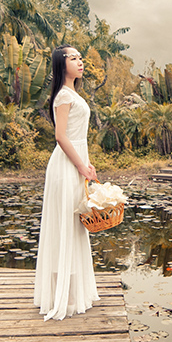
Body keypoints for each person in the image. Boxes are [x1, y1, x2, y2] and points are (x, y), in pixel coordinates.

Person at [33, 45, 100, 320]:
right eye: (74, 58)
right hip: (65, 165)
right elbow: (61, 136)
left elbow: (77, 135)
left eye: (80, 58)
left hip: (76, 161)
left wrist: (86, 163)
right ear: (62, 64)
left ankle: (74, 292)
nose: (80, 62)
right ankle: (63, 296)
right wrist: (81, 165)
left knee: (75, 226)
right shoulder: (62, 95)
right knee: (65, 226)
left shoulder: (73, 93)